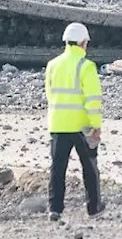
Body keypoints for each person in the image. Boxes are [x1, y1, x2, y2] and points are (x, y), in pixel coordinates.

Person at [44, 21, 105, 222]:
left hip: (58, 124)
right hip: (82, 125)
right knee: (89, 167)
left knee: (57, 168)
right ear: (82, 42)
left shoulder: (52, 65)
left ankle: (55, 208)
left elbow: (50, 94)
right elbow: (93, 99)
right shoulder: (86, 66)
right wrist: (96, 125)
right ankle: (94, 207)